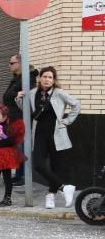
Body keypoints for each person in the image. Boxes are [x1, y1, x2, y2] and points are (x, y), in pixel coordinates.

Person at [20, 67, 81, 209]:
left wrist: (67, 120)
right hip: (39, 133)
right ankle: (65, 188)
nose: (47, 80)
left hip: (57, 134)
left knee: (56, 167)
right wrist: (19, 98)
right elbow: (25, 110)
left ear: (54, 80)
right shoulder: (32, 93)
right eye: (45, 76)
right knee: (39, 165)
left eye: (50, 77)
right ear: (39, 78)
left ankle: (51, 196)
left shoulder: (59, 93)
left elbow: (76, 104)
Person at [2, 54, 38, 186]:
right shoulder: (17, 79)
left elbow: (20, 96)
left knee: (22, 146)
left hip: (22, 117)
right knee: (17, 146)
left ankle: (22, 176)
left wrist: (13, 95)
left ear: (20, 64)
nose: (9, 65)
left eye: (12, 63)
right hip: (14, 117)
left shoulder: (28, 78)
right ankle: (18, 175)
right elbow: (6, 96)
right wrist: (13, 95)